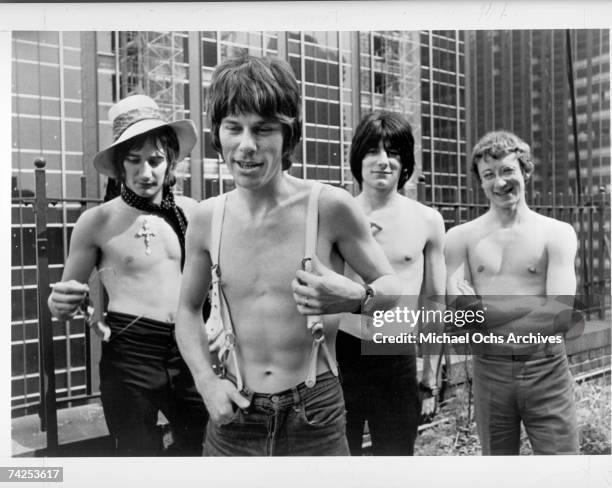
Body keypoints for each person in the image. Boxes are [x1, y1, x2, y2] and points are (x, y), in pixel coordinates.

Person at [175, 55, 401, 457]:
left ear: (288, 136)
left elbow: (392, 289)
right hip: (235, 415)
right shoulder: (208, 218)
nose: (247, 145)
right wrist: (207, 384)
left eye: (263, 129)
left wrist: (354, 297)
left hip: (314, 411)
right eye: (234, 128)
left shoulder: (329, 206)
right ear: (218, 134)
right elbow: (187, 309)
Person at [48, 94, 208, 456]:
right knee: (137, 457)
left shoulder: (194, 212)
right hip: (131, 353)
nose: (145, 172)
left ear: (170, 162)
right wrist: (60, 301)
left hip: (188, 348)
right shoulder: (97, 221)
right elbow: (61, 303)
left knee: (202, 446)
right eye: (134, 161)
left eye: (155, 160)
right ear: (120, 166)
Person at [445, 131, 579, 455]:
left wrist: (483, 314)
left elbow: (559, 316)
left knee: (562, 470)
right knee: (498, 472)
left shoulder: (556, 233)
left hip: (545, 367)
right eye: (488, 174)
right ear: (480, 181)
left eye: (507, 170)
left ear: (525, 171)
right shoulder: (460, 238)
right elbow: (457, 317)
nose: (499, 182)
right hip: (489, 370)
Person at [336, 111, 446, 456]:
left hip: (395, 350)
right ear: (358, 158)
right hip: (344, 347)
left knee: (396, 460)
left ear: (405, 162)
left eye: (393, 153)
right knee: (338, 460)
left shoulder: (427, 220)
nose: (383, 161)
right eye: (373, 151)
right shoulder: (336, 215)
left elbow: (435, 301)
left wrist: (429, 376)